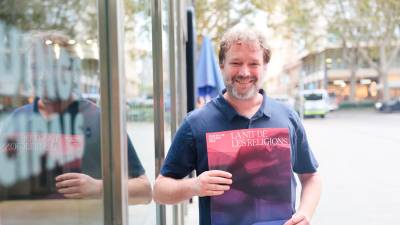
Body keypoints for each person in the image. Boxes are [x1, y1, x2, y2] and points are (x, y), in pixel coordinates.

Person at [153, 26, 322, 225]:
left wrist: (305, 213)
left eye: (253, 64)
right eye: (235, 63)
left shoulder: (288, 118)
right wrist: (195, 186)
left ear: (265, 66)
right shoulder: (196, 123)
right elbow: (159, 190)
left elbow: (311, 176)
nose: (244, 72)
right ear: (221, 65)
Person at [0, 33, 151, 204]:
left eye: (52, 67)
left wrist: (99, 188)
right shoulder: (18, 119)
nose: (42, 75)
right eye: (35, 68)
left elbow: (145, 190)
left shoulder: (99, 120)